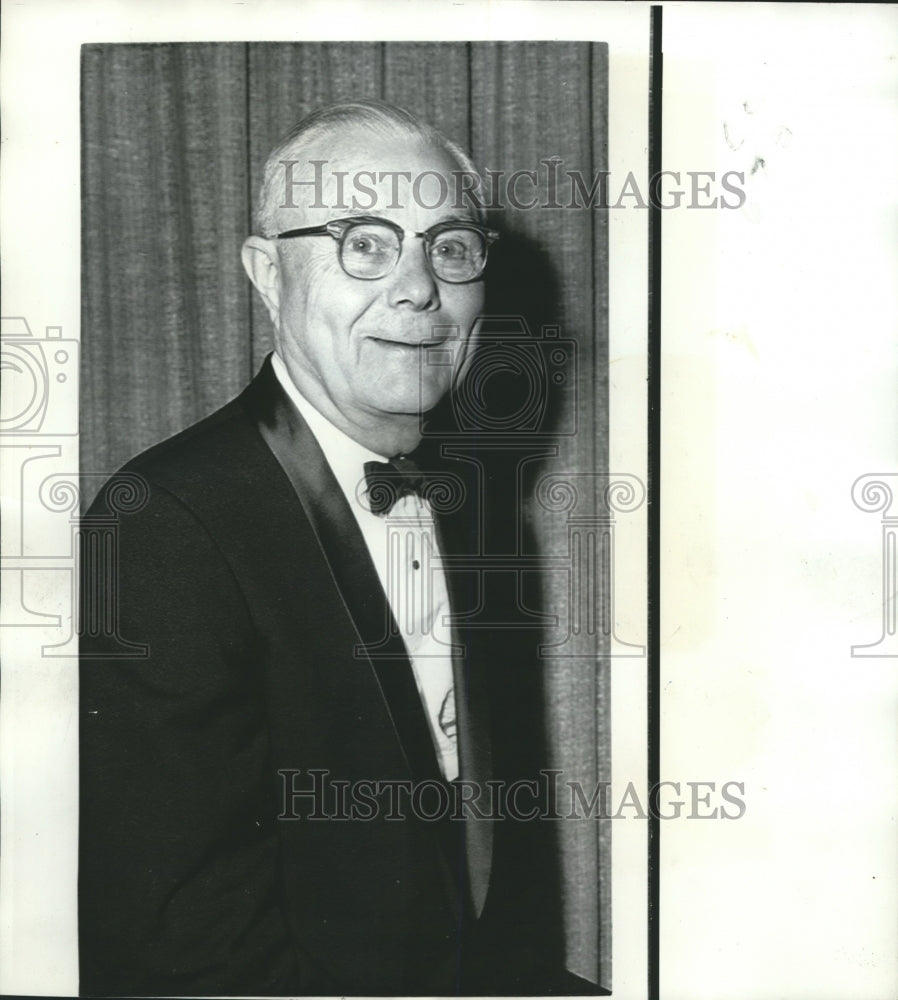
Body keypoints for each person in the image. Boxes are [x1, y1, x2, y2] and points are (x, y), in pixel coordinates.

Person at [79, 100, 590, 996]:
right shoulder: (165, 520)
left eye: (450, 246)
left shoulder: (475, 514)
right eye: (365, 242)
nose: (419, 288)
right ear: (267, 275)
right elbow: (180, 947)